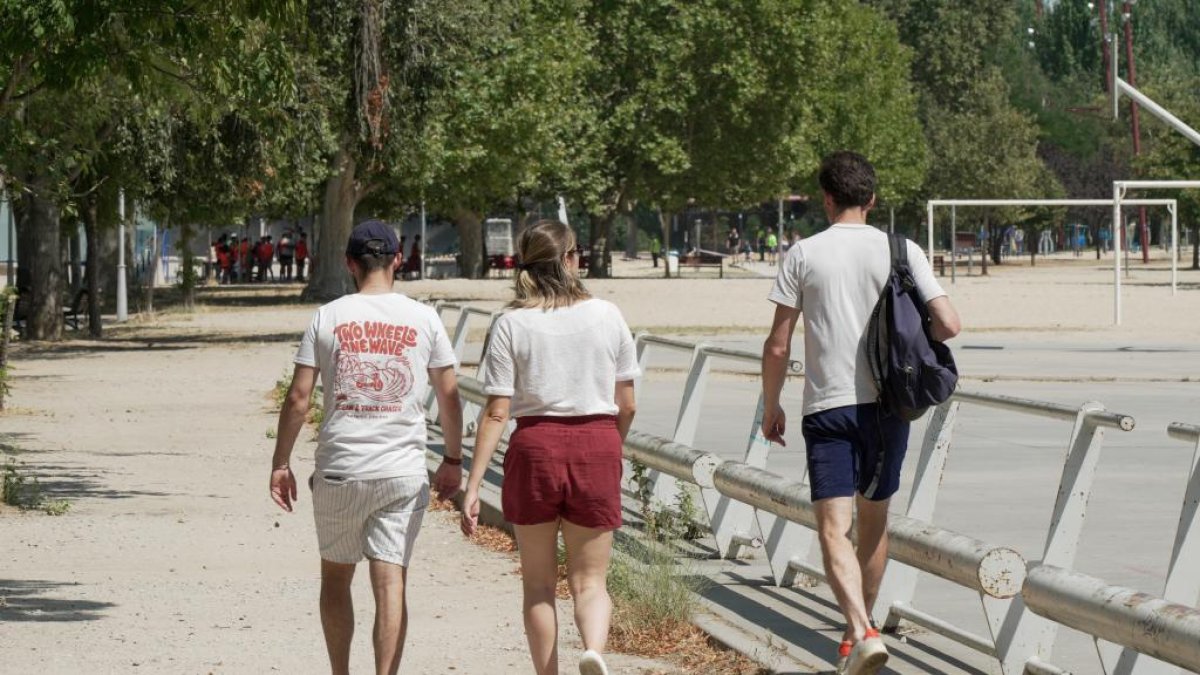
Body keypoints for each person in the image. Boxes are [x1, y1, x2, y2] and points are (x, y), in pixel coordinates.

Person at [760, 151, 960, 675]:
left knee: (832, 527)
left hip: (827, 407)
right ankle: (861, 627)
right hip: (888, 407)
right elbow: (949, 323)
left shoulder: (803, 254)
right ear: (871, 198)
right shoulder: (902, 249)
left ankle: (860, 630)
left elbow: (778, 345)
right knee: (874, 522)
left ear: (827, 198)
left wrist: (772, 403)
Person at [270, 220, 465, 675]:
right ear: (399, 259)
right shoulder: (425, 318)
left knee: (336, 578)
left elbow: (299, 397)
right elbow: (450, 396)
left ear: (349, 263)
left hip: (340, 469)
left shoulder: (328, 316)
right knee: (390, 579)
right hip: (400, 473)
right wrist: (453, 460)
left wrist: (281, 462)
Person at [461, 220, 639, 675]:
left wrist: (473, 483)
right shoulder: (608, 315)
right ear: (569, 260)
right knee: (591, 581)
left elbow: (497, 412)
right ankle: (594, 650)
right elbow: (628, 404)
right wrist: (607, 449)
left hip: (535, 446)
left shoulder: (510, 323)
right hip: (597, 443)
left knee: (539, 586)